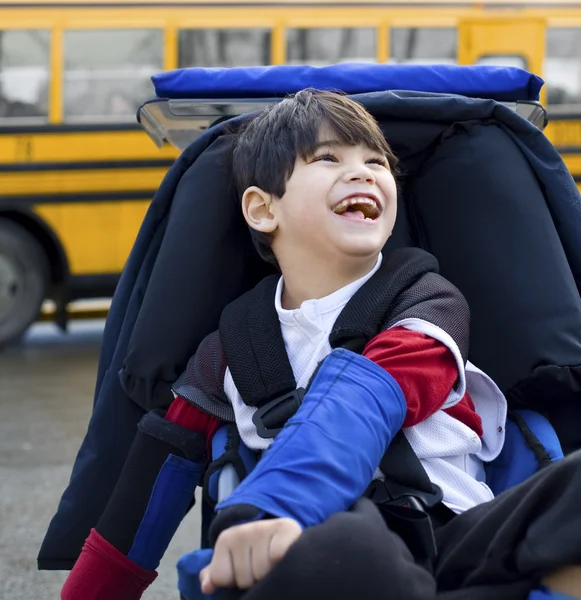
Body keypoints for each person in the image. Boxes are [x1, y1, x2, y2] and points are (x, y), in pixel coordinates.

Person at [60, 89, 581, 600]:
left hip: (460, 547)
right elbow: (144, 494)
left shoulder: (430, 302)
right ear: (263, 209)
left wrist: (278, 499)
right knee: (344, 544)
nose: (363, 172)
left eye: (377, 161)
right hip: (317, 553)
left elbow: (364, 401)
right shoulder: (228, 351)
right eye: (328, 158)